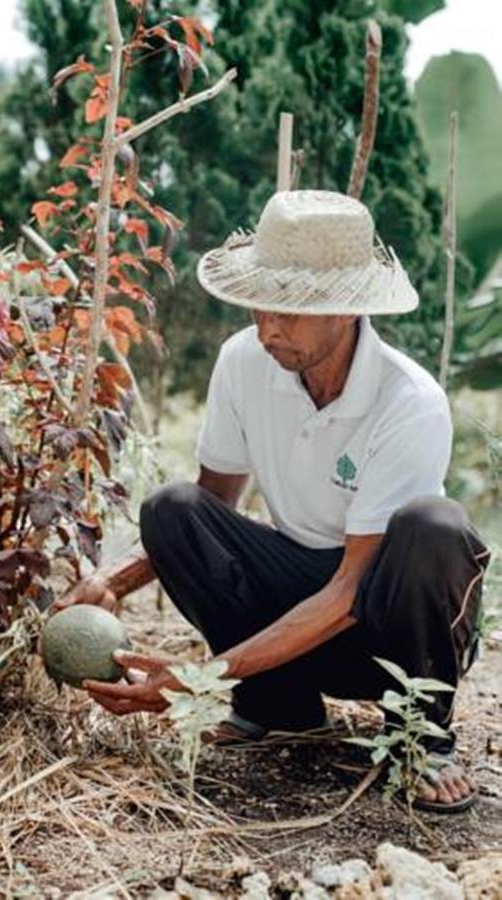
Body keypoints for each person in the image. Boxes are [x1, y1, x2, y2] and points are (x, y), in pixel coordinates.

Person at [53, 190, 490, 813]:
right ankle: (279, 708)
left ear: (346, 310)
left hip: (392, 630)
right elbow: (209, 506)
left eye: (290, 307)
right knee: (171, 510)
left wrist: (201, 679)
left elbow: (347, 594)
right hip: (301, 602)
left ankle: (419, 737)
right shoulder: (243, 364)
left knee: (434, 527)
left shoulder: (408, 402)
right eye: (261, 301)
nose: (266, 325)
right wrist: (112, 582)